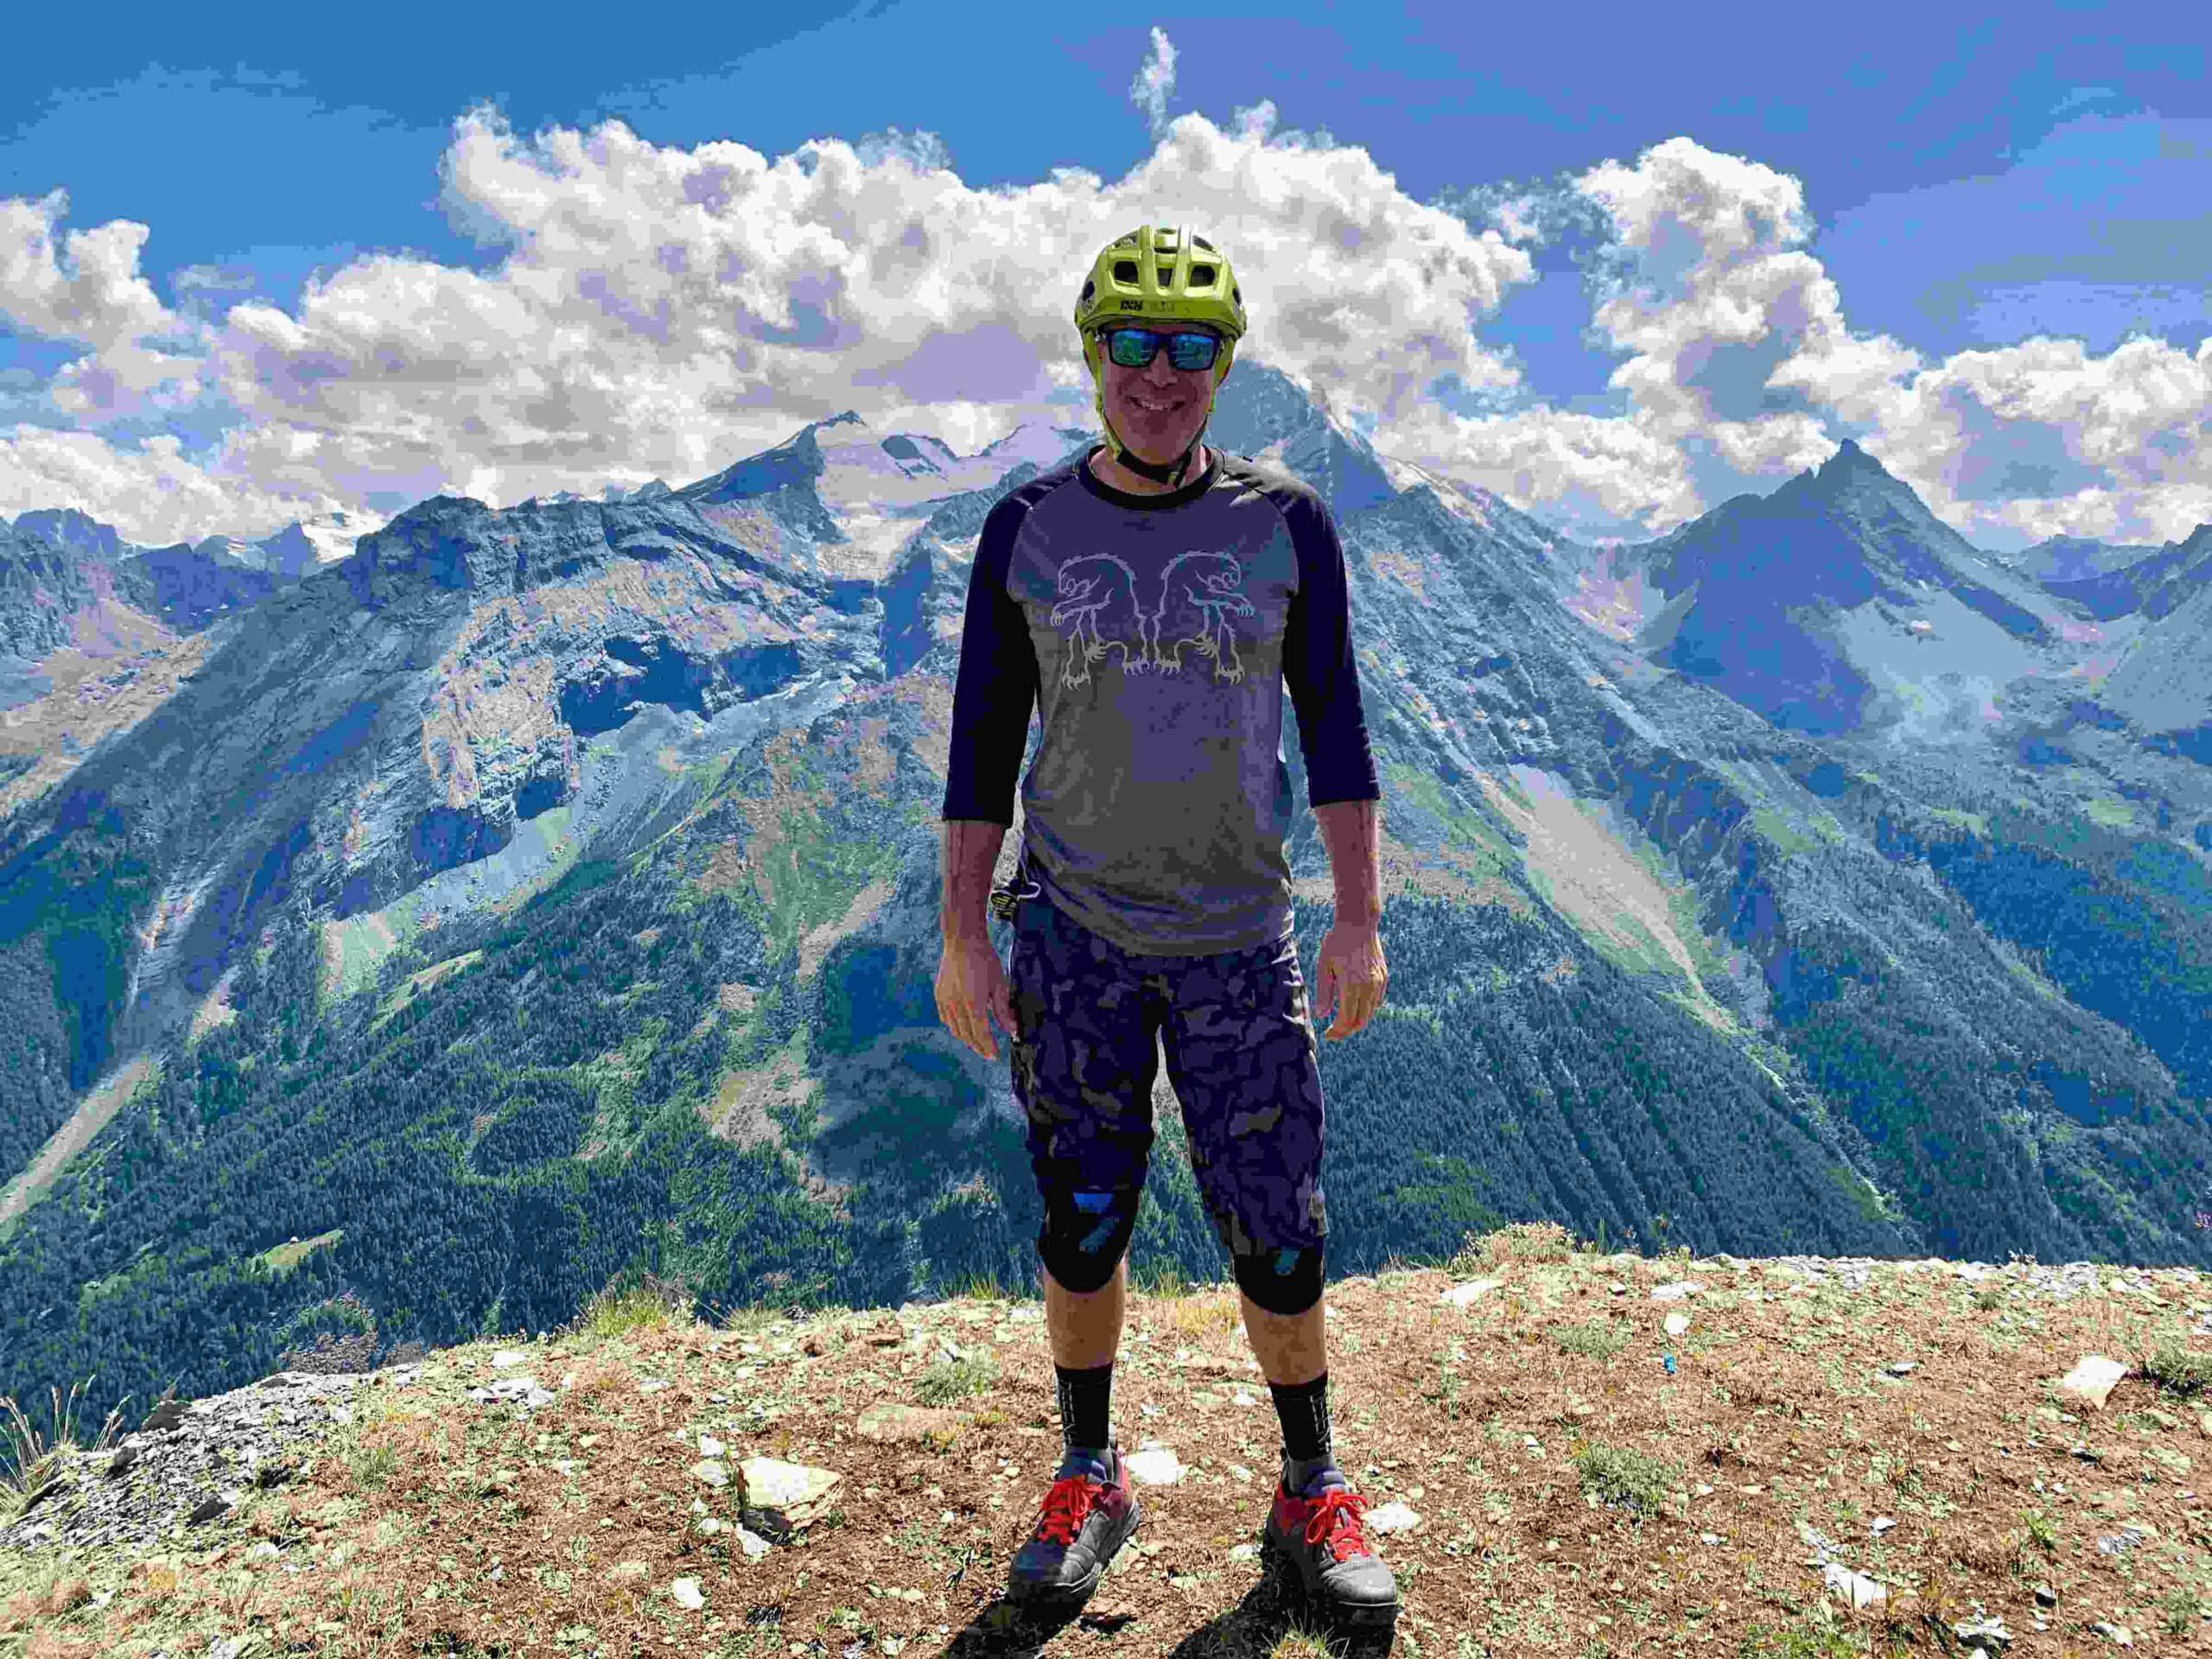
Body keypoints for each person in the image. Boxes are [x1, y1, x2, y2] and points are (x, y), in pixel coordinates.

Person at [931, 224, 1398, 1639]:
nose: (1158, 373)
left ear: (1224, 365)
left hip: (1240, 940)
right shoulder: (1023, 530)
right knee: (1083, 1223)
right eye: (1131, 341)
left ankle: (1311, 1489)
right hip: (1072, 934)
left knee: (1280, 1230)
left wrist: (1359, 919)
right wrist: (963, 935)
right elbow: (979, 748)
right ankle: (1089, 1471)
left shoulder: (1288, 525)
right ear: (1092, 354)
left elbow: (1337, 728)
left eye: (1190, 346)